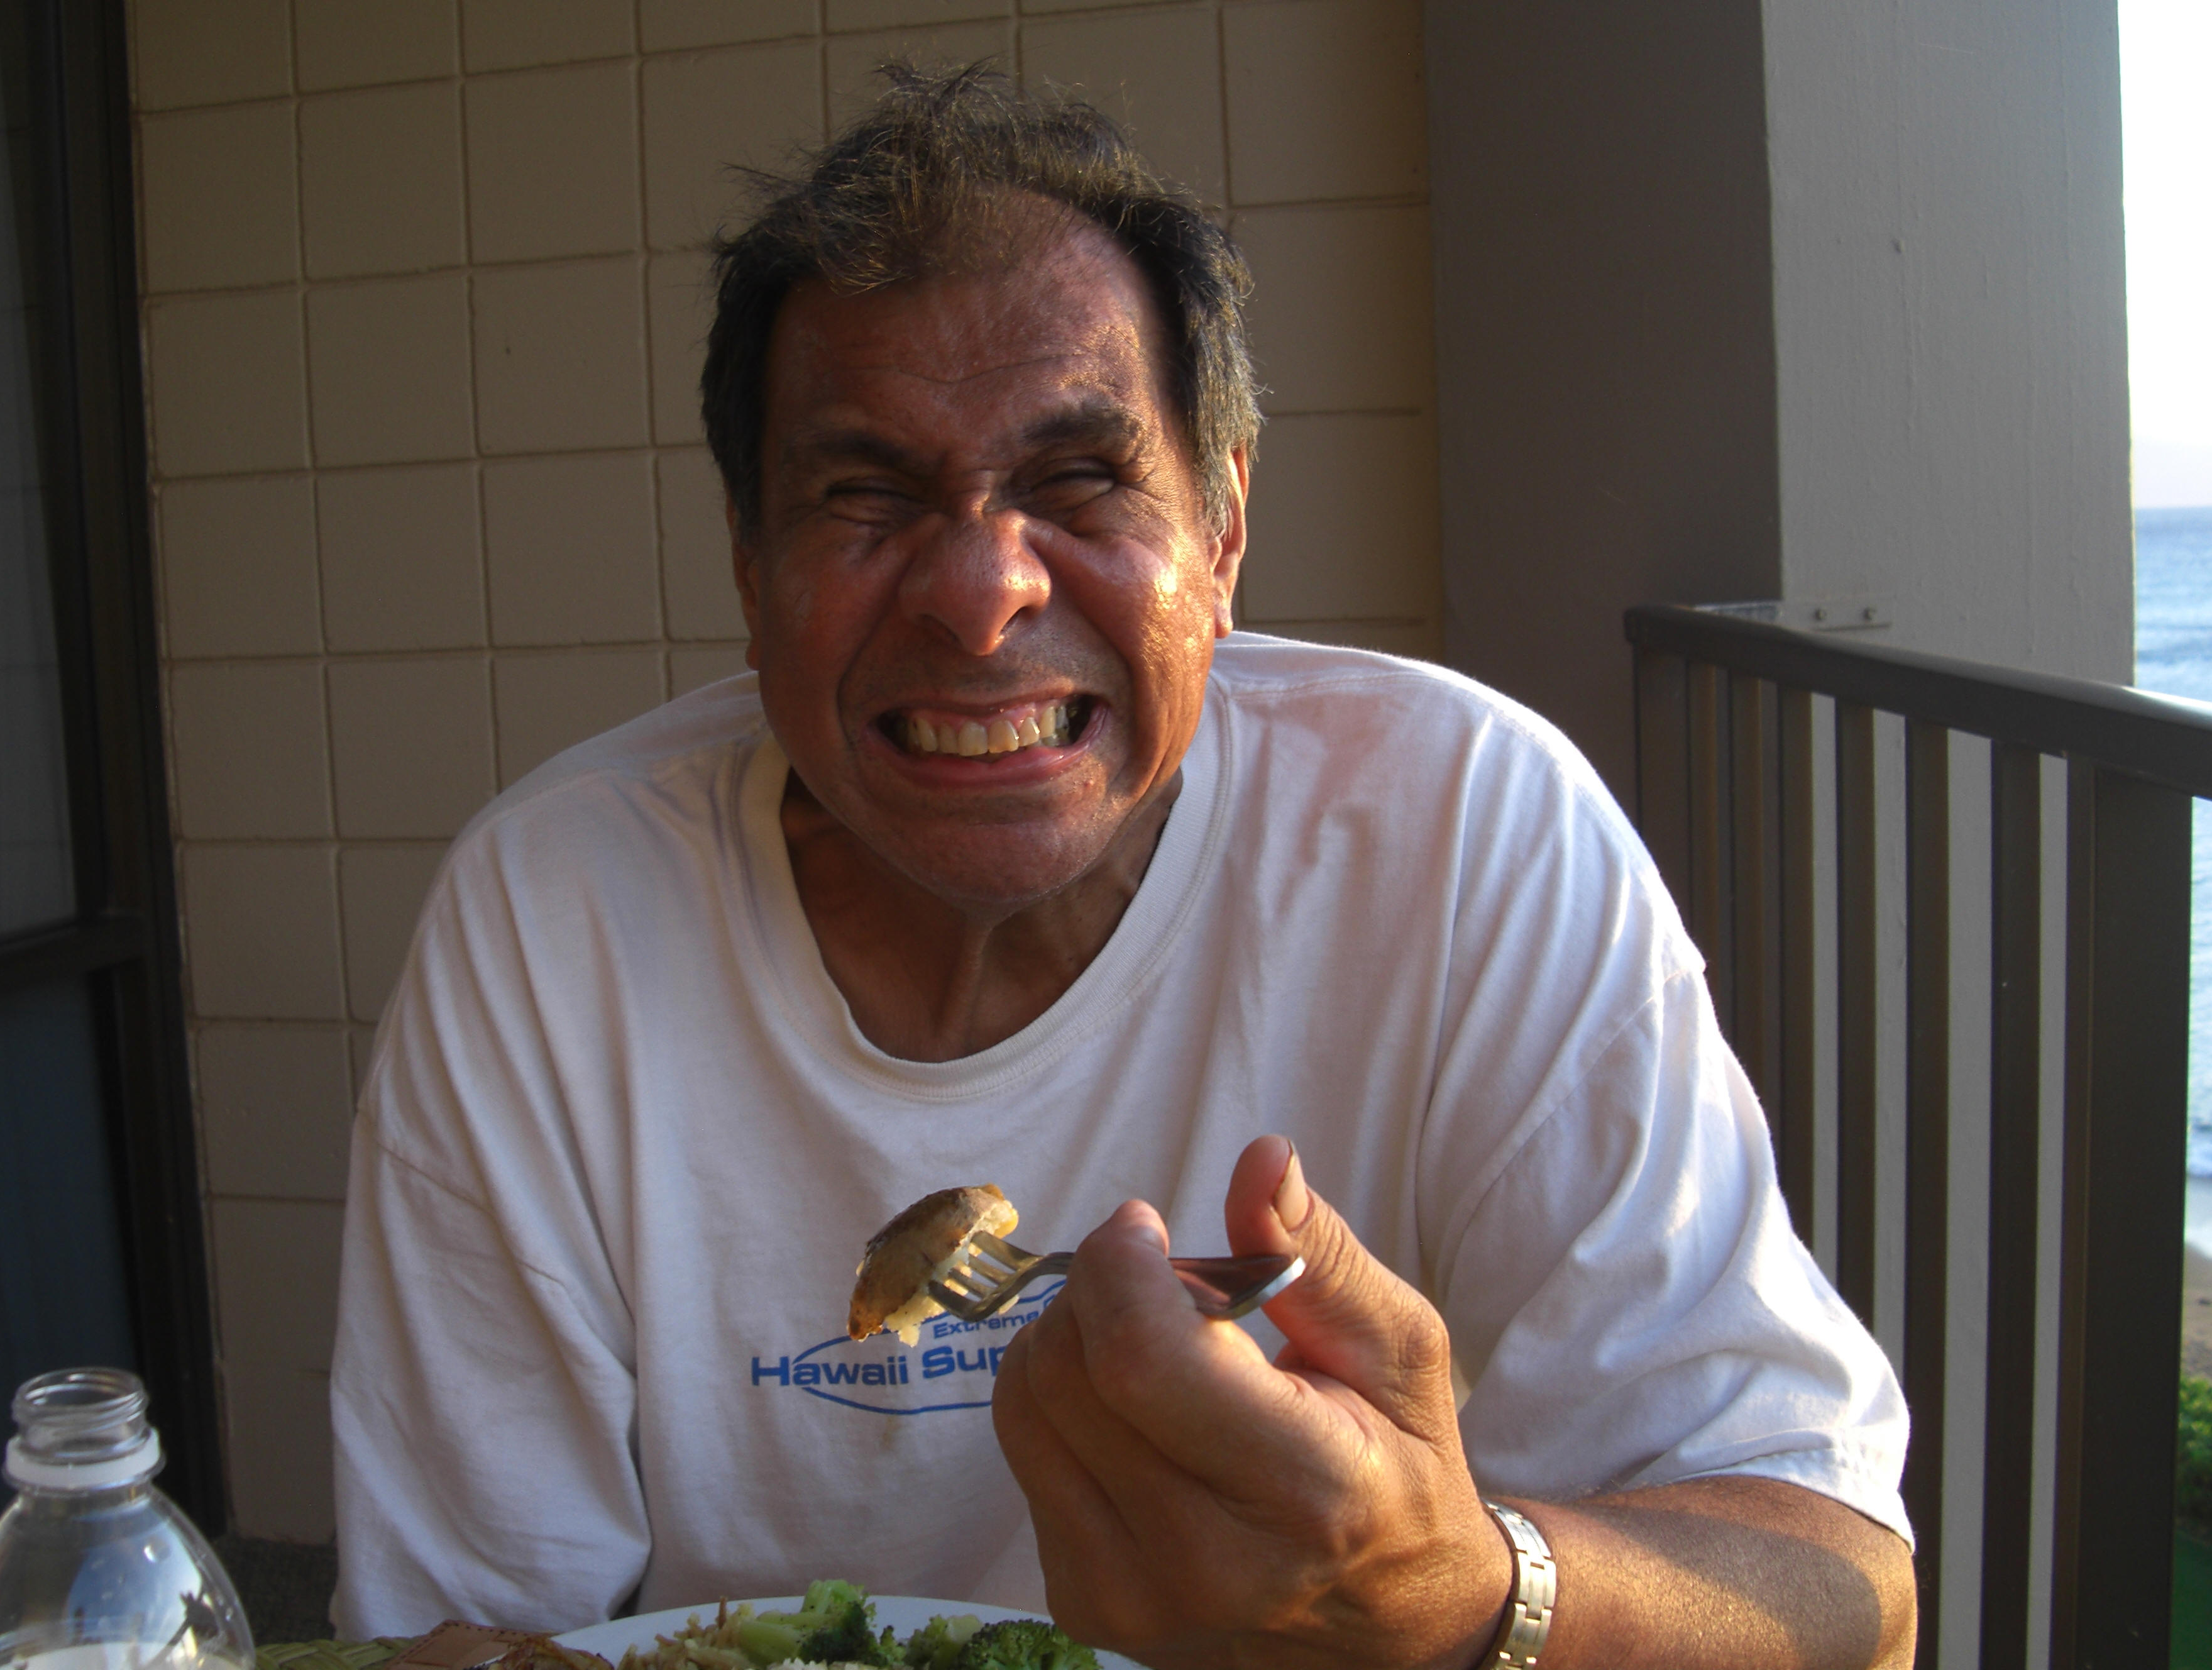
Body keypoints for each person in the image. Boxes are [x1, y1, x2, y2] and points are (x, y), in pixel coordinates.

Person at [329, 65, 1915, 1666]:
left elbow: (1844, 1592)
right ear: (751, 570)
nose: (977, 594)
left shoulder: (1459, 831)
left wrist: (1463, 1589)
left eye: (1077, 480)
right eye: (863, 496)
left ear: (1220, 533)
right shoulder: (551, 920)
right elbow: (470, 1621)